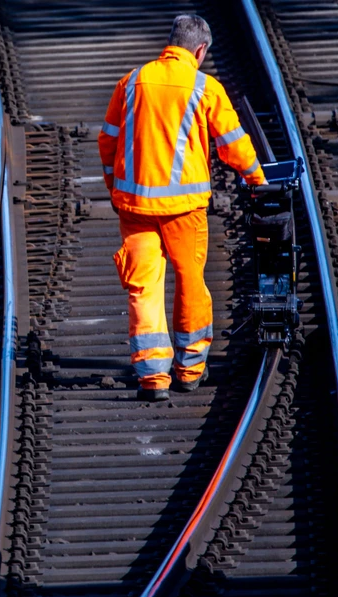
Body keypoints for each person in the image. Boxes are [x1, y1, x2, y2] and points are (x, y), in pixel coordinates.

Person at [99, 14, 267, 402]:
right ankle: (190, 369)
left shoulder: (131, 82)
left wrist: (115, 187)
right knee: (190, 280)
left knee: (143, 286)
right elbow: (233, 143)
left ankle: (153, 376)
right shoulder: (204, 87)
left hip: (135, 208)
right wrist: (258, 180)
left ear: (170, 42)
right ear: (200, 50)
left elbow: (107, 142)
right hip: (184, 211)